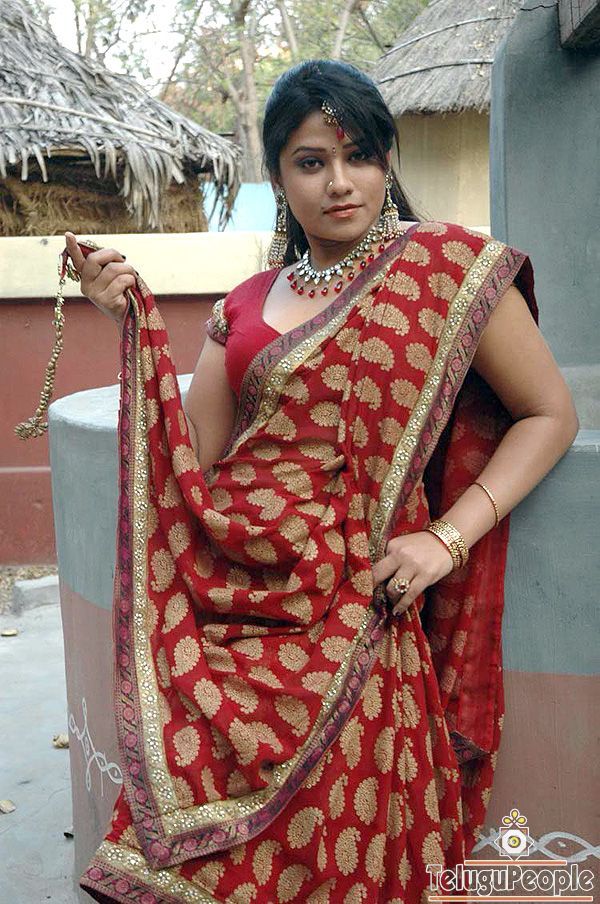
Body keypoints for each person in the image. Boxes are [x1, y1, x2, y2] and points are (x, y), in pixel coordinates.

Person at [64, 60, 577, 904]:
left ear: (386, 161)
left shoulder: (447, 272)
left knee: (335, 856)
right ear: (277, 177)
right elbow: (189, 463)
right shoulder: (244, 302)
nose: (340, 182)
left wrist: (446, 538)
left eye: (360, 155)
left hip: (356, 612)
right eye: (311, 162)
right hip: (232, 608)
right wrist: (129, 325)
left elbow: (550, 414)